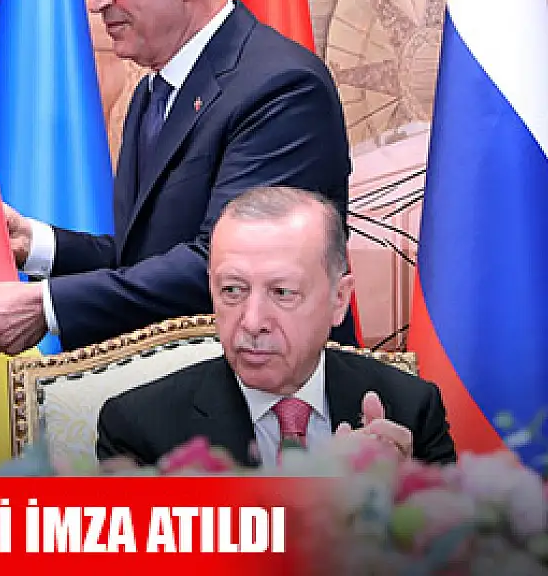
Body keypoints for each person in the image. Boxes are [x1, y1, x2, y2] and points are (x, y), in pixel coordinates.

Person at [0, 0, 353, 356]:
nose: (94, 0)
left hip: (266, 389)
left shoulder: (282, 88)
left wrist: (48, 306)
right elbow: (141, 259)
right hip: (176, 385)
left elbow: (228, 269)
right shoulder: (154, 91)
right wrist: (34, 244)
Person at [95, 187, 456, 467]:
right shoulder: (140, 429)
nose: (252, 322)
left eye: (282, 293)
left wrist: (400, 503)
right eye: (232, 290)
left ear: (339, 300)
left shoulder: (410, 409)